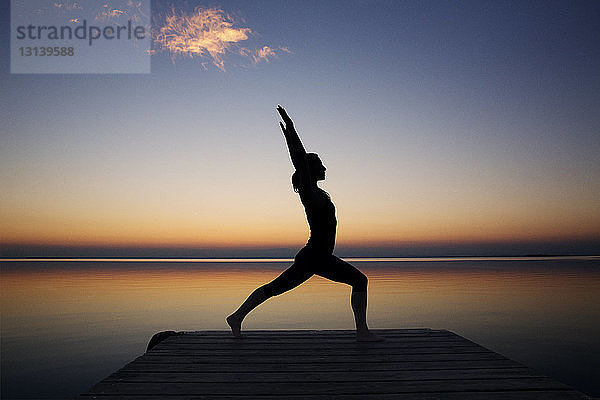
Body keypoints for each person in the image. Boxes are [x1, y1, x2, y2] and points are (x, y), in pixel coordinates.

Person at [227, 106, 383, 342]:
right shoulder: (310, 193)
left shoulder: (317, 193)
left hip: (312, 257)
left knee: (273, 288)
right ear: (310, 171)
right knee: (359, 280)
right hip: (316, 256)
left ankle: (237, 317)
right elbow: (299, 160)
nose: (325, 167)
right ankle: (362, 332)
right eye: (320, 164)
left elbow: (301, 163)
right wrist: (291, 130)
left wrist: (289, 132)